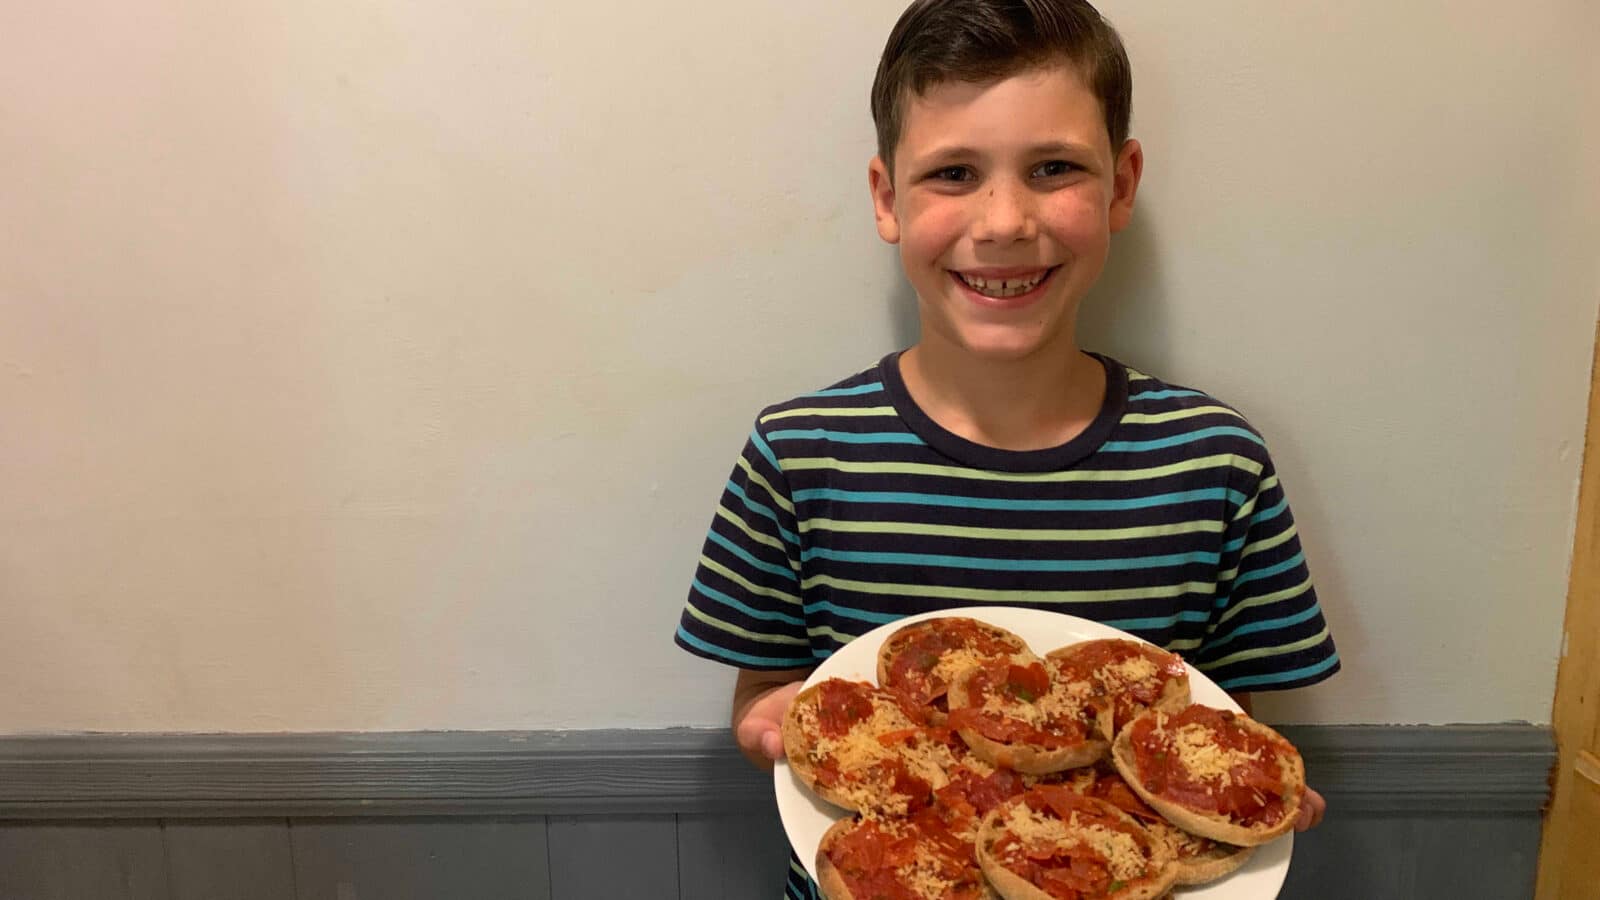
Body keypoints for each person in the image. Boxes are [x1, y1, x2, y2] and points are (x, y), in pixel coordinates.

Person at [673, 1, 1339, 896]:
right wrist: (768, 725)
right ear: (886, 198)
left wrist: (1246, 796)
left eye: (1055, 167)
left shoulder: (1214, 463)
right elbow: (767, 697)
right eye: (952, 172)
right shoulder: (800, 456)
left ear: (1122, 185)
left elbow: (1213, 733)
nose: (1003, 221)